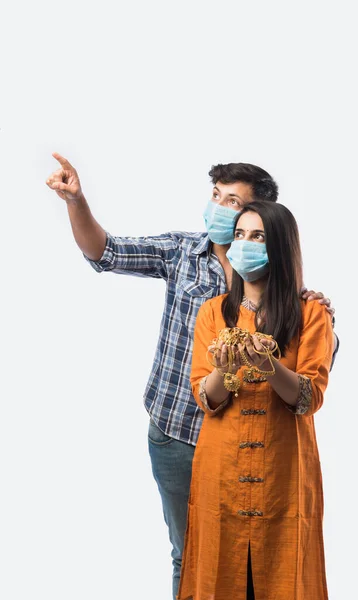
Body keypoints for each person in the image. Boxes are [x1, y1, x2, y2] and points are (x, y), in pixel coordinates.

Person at [46, 155, 338, 599]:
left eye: (233, 203)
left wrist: (312, 322)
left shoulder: (294, 298)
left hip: (266, 443)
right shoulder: (184, 255)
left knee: (271, 565)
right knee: (194, 555)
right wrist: (76, 201)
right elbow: (106, 251)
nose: (220, 210)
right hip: (181, 434)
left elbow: (315, 373)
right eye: (215, 197)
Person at [177, 200, 334, 600]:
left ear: (280, 246)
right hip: (221, 472)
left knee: (282, 575)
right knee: (220, 576)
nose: (245, 244)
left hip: (283, 474)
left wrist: (268, 365)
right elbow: (206, 399)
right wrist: (225, 370)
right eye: (241, 234)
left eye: (258, 236)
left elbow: (308, 398)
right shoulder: (213, 313)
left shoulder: (312, 314)